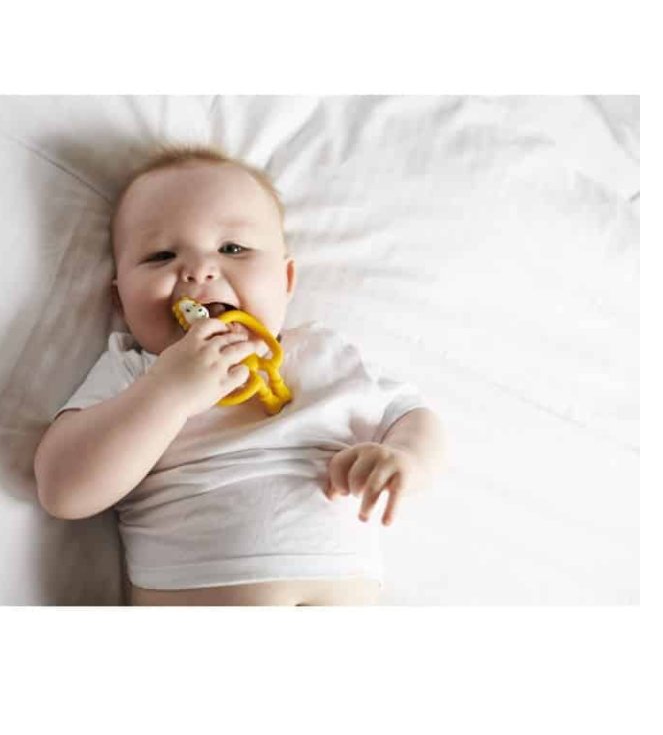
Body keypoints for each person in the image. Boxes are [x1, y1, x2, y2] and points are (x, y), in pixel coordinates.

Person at [33, 145, 446, 605]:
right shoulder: (137, 371)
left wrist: (405, 458)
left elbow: (412, 415)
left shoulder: (321, 353)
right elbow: (63, 489)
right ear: (120, 301)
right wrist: (168, 393)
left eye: (233, 248)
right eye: (161, 255)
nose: (198, 270)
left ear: (287, 281)